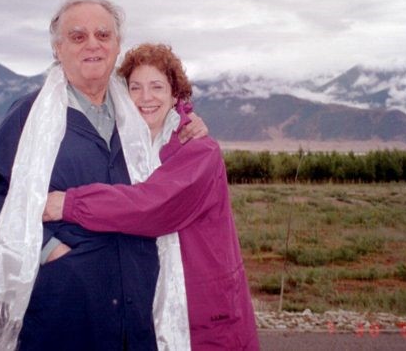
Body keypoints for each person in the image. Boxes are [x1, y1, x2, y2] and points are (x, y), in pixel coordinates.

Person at [0, 0, 205, 350]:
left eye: (103, 35)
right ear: (57, 49)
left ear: (118, 46)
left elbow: (172, 151)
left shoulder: (137, 115)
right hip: (64, 314)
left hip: (138, 314)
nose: (93, 44)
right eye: (78, 37)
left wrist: (191, 124)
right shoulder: (33, 115)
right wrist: (45, 249)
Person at [43, 43, 260, 350]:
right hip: (145, 305)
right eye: (135, 87)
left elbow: (151, 206)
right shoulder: (125, 151)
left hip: (202, 307)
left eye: (157, 86)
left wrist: (67, 203)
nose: (146, 97)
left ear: (175, 95)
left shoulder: (200, 150)